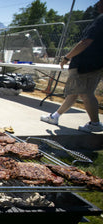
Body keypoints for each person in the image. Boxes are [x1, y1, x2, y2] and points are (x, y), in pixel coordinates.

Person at [40, 0, 103, 133]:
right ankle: (55, 116)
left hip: (86, 64)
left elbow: (85, 42)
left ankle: (95, 123)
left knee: (85, 93)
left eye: (100, 2)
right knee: (73, 92)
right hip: (95, 63)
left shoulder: (101, 20)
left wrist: (67, 57)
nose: (97, 4)